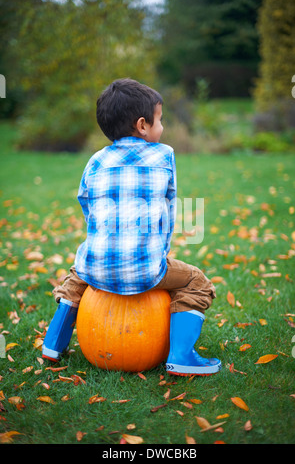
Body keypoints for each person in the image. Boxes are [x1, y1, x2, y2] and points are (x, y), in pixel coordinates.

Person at [42, 78, 221, 376]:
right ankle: (181, 356)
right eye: (160, 120)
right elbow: (168, 205)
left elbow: (85, 200)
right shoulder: (164, 155)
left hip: (95, 267)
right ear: (142, 125)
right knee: (196, 282)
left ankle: (52, 344)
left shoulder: (96, 161)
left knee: (76, 276)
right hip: (147, 271)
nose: (162, 127)